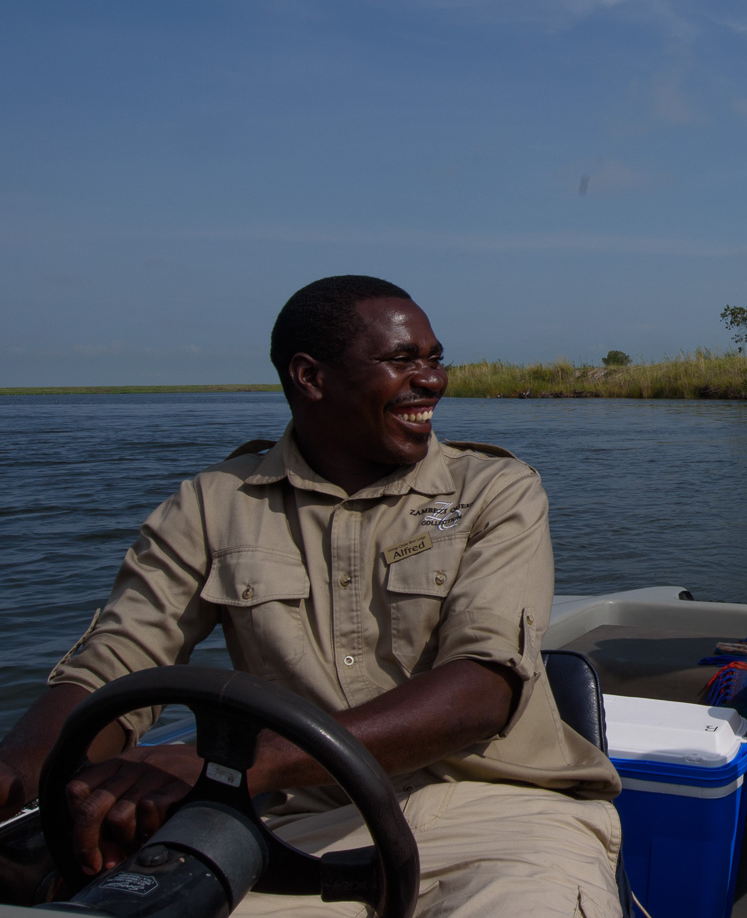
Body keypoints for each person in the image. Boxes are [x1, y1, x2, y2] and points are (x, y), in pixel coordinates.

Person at [0, 275, 623, 918]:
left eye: (435, 359)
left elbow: (481, 690)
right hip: (301, 829)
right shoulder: (212, 504)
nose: (433, 380)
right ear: (310, 377)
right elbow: (114, 666)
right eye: (402, 360)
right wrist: (16, 770)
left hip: (502, 816)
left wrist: (230, 765)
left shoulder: (495, 489)